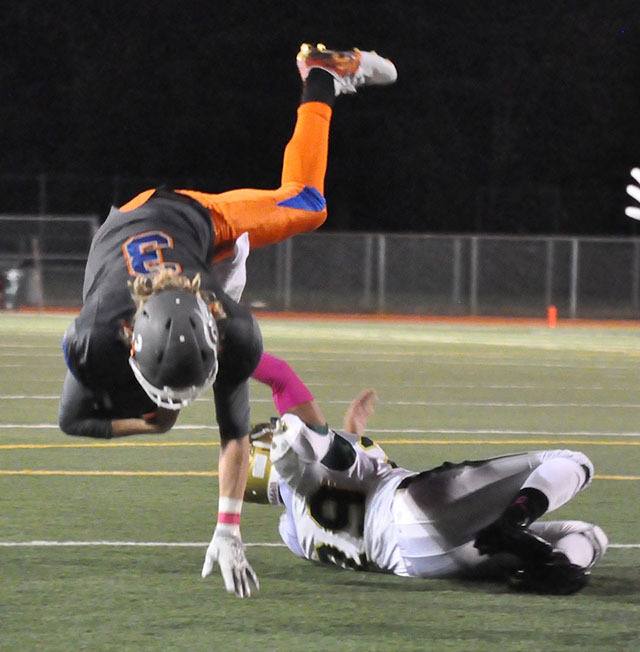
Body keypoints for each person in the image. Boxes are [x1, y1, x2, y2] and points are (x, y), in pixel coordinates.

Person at [57, 43, 397, 598]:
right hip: (137, 233)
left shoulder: (230, 325)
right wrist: (146, 423)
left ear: (213, 320)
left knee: (308, 203)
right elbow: (72, 420)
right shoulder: (91, 334)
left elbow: (233, 431)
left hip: (195, 219)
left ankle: (323, 74)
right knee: (282, 230)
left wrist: (228, 527)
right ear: (126, 339)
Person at [245, 357, 608, 595]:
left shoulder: (291, 535)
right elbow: (331, 455)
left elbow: (342, 480)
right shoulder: (306, 454)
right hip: (413, 505)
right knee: (572, 462)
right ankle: (516, 520)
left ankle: (554, 570)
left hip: (419, 563)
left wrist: (354, 429)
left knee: (587, 535)